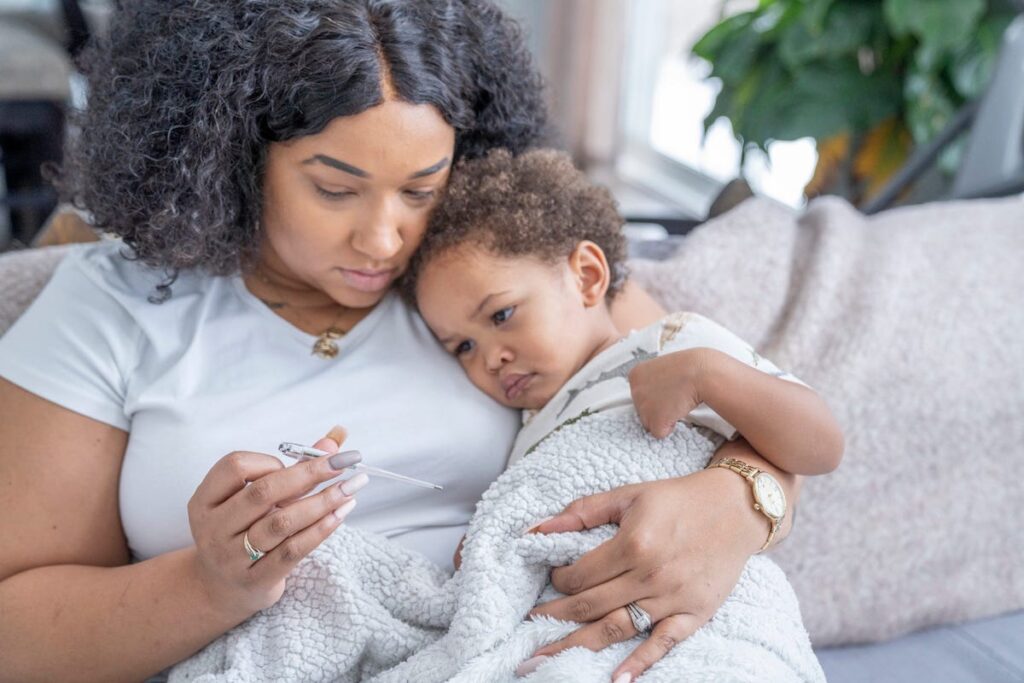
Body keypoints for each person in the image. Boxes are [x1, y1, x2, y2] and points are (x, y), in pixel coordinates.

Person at [0, 2, 834, 683]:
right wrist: (214, 584)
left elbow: (697, 396)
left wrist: (738, 505)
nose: (384, 240)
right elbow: (15, 633)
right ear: (228, 154)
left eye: (420, 188)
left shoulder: (485, 266)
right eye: (335, 188)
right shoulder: (111, 306)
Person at [403, 148, 843, 676]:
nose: (490, 357)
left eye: (501, 315)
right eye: (463, 348)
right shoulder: (523, 427)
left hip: (703, 601)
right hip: (577, 622)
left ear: (587, 276)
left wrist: (707, 375)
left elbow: (822, 445)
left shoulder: (673, 344)